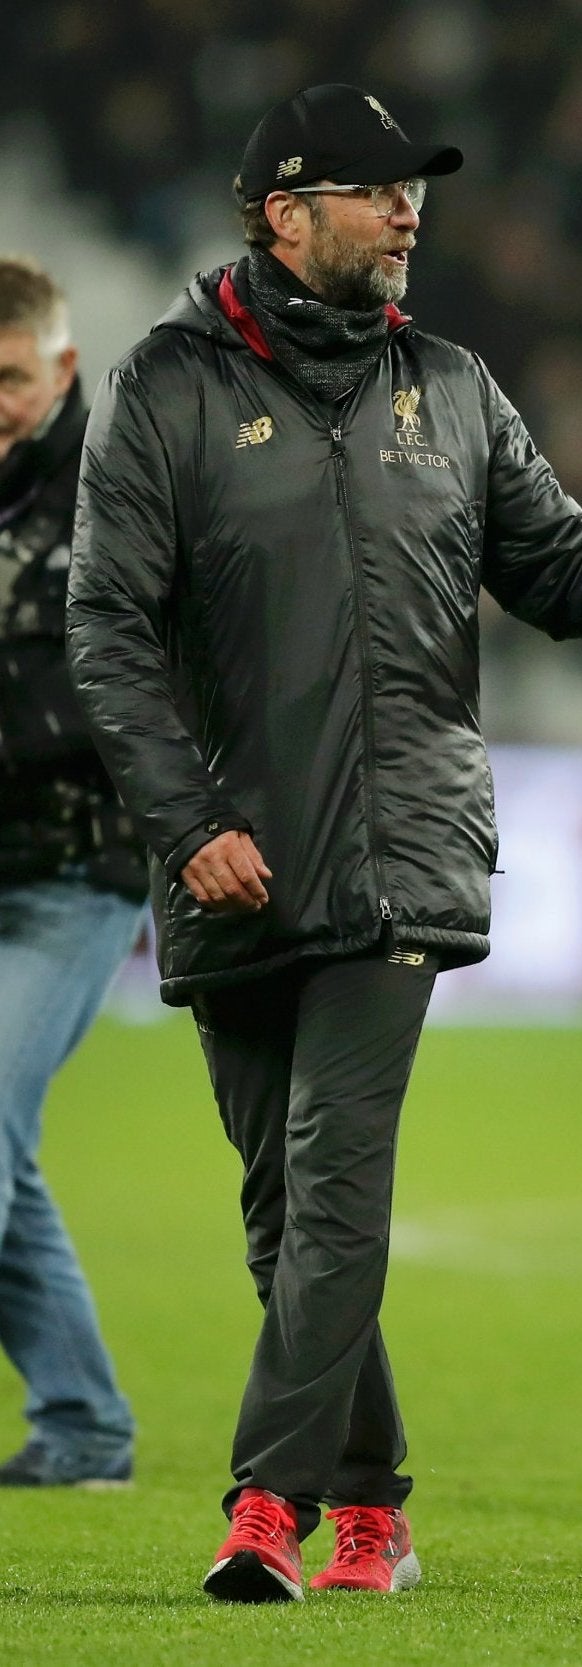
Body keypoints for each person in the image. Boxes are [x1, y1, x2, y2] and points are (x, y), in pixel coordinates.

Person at [66, 85, 582, 1604]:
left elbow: (568, 574)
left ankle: (265, 1511)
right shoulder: (166, 388)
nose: (409, 210)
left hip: (405, 850)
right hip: (233, 857)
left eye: (415, 189)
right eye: (373, 189)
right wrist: (192, 821)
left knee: (336, 1178)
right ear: (282, 214)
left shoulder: (457, 389)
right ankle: (377, 1507)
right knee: (285, 1211)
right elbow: (106, 632)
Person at [0, 257, 140, 1490]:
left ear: (61, 369)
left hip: (75, 871)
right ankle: (85, 1422)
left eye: (6, 377)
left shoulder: (123, 495)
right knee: (1, 1138)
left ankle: (86, 1422)